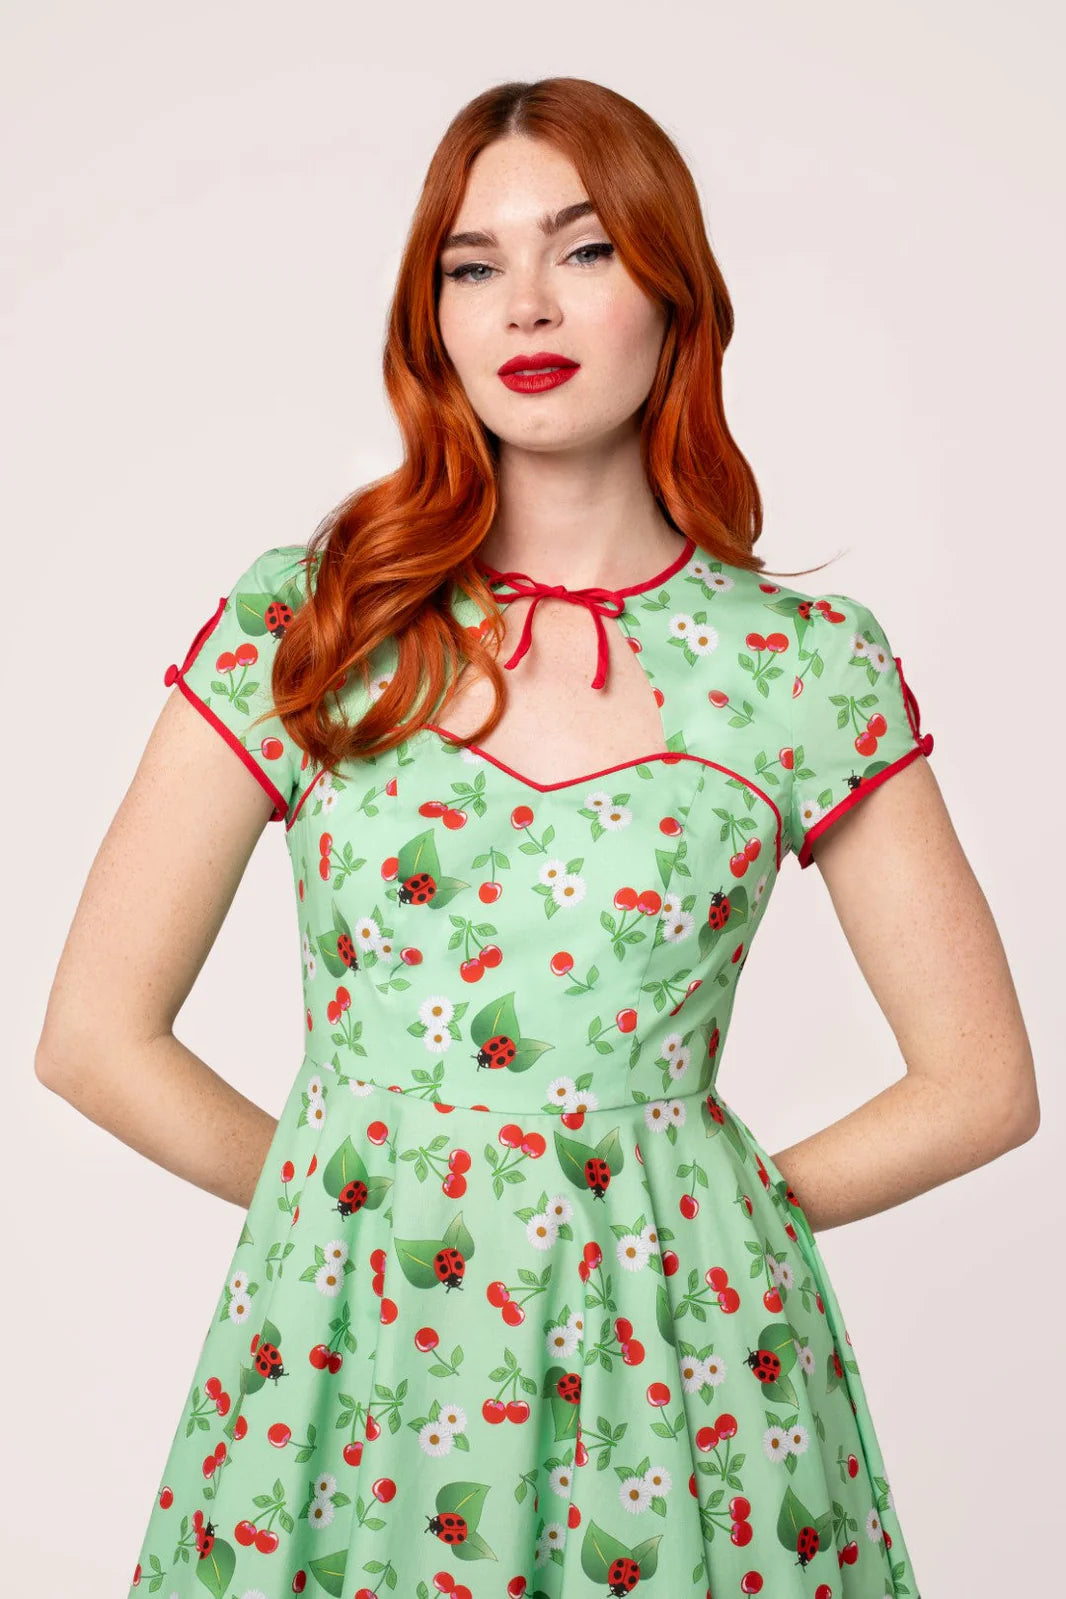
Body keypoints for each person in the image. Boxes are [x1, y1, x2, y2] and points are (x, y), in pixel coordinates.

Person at [35, 76, 1037, 1599]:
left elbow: (979, 1084)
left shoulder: (802, 666)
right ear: (429, 317)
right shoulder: (311, 625)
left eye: (582, 249)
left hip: (690, 1380)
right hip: (355, 1370)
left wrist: (688, 1232)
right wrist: (361, 1224)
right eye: (472, 263)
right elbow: (94, 1039)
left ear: (672, 290)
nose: (525, 304)